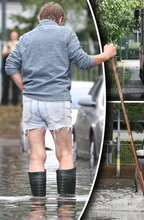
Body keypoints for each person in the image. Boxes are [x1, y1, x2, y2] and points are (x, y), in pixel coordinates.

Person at [5, 2, 116, 198]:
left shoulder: (26, 38)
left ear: (40, 18)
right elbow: (83, 62)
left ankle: (37, 207)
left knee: (36, 155)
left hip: (32, 103)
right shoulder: (66, 34)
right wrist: (106, 55)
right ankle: (66, 207)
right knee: (64, 153)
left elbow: (10, 66)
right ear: (60, 19)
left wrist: (24, 88)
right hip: (57, 100)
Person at [1, 30, 20, 105]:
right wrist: (9, 50)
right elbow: (3, 53)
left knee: (15, 84)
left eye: (15, 36)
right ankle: (4, 101)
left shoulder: (19, 43)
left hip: (16, 66)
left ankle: (15, 101)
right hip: (7, 66)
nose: (13, 37)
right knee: (5, 84)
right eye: (12, 36)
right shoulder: (7, 44)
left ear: (17, 36)